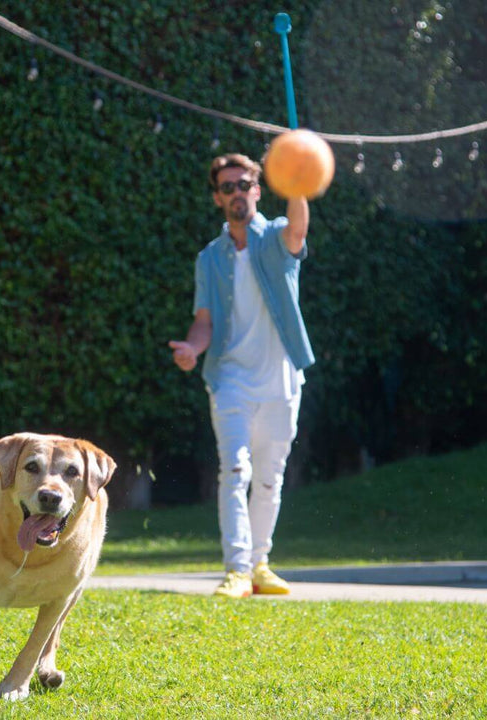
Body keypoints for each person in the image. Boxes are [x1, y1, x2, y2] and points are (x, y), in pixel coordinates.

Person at [169, 152, 315, 598]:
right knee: (234, 470)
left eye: (244, 184)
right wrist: (193, 348)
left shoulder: (274, 238)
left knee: (270, 477)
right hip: (229, 378)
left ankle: (260, 564)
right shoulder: (210, 257)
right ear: (217, 197)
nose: (237, 193)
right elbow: (204, 320)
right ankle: (236, 569)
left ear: (257, 190)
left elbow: (298, 229)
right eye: (227, 187)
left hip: (280, 379)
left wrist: (296, 186)